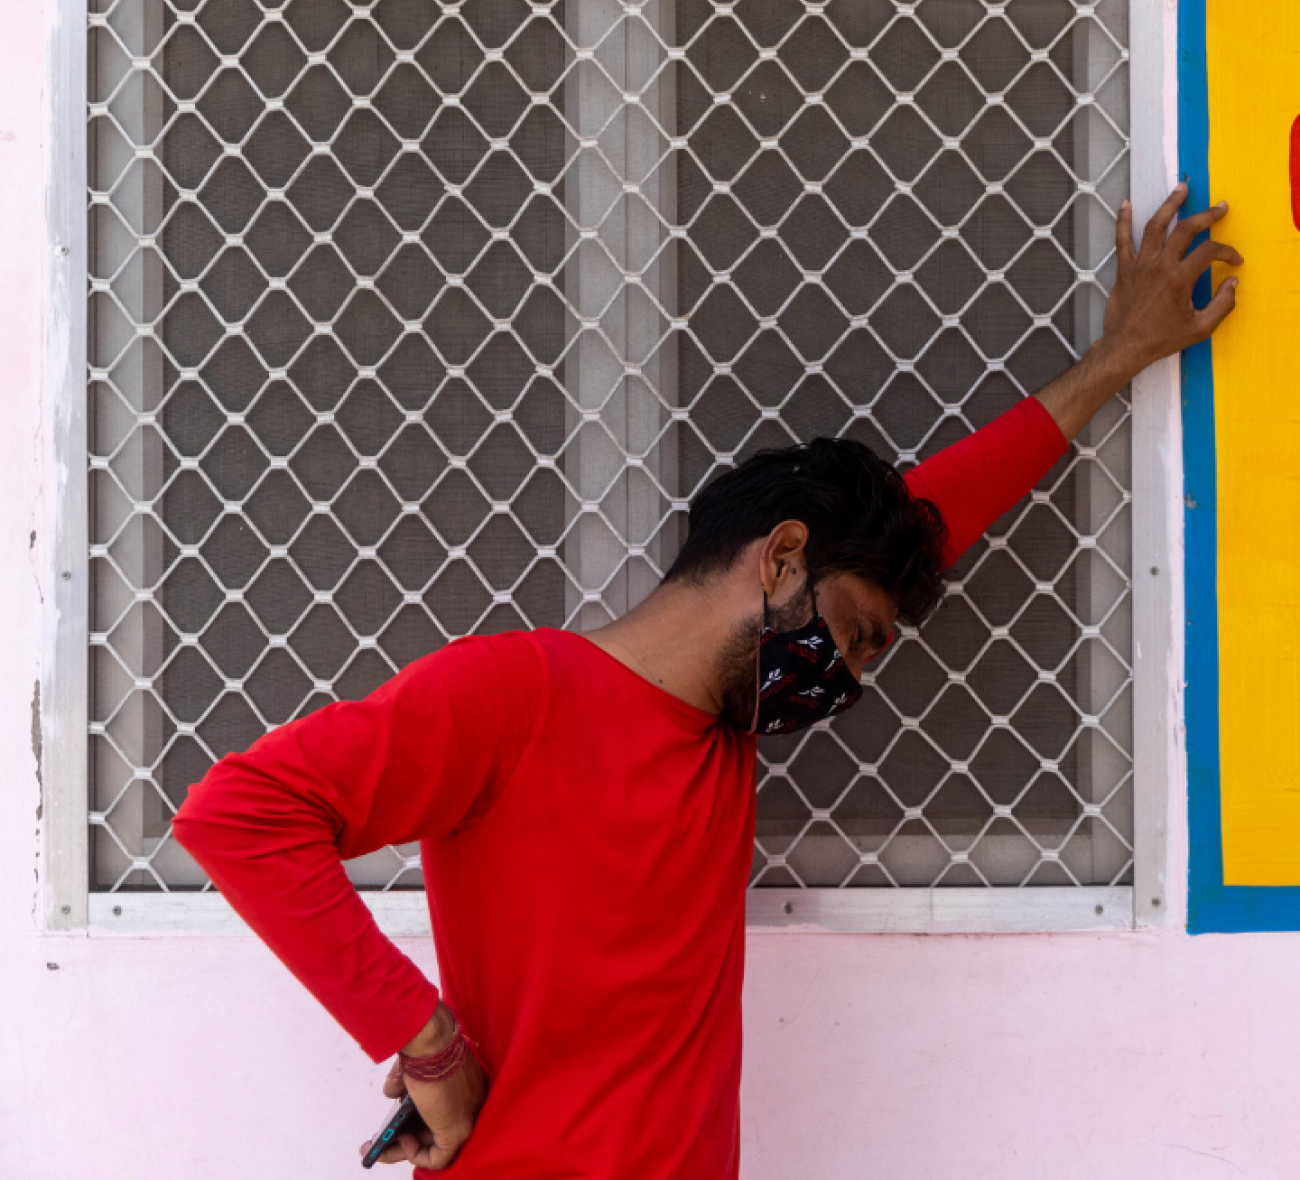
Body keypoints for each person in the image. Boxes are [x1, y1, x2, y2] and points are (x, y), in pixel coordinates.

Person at [173, 184, 1241, 1178]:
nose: (849, 679)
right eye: (858, 635)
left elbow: (938, 507)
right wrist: (428, 1043)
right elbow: (241, 813)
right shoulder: (516, 693)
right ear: (778, 559)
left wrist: (1121, 356)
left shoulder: (720, 743)